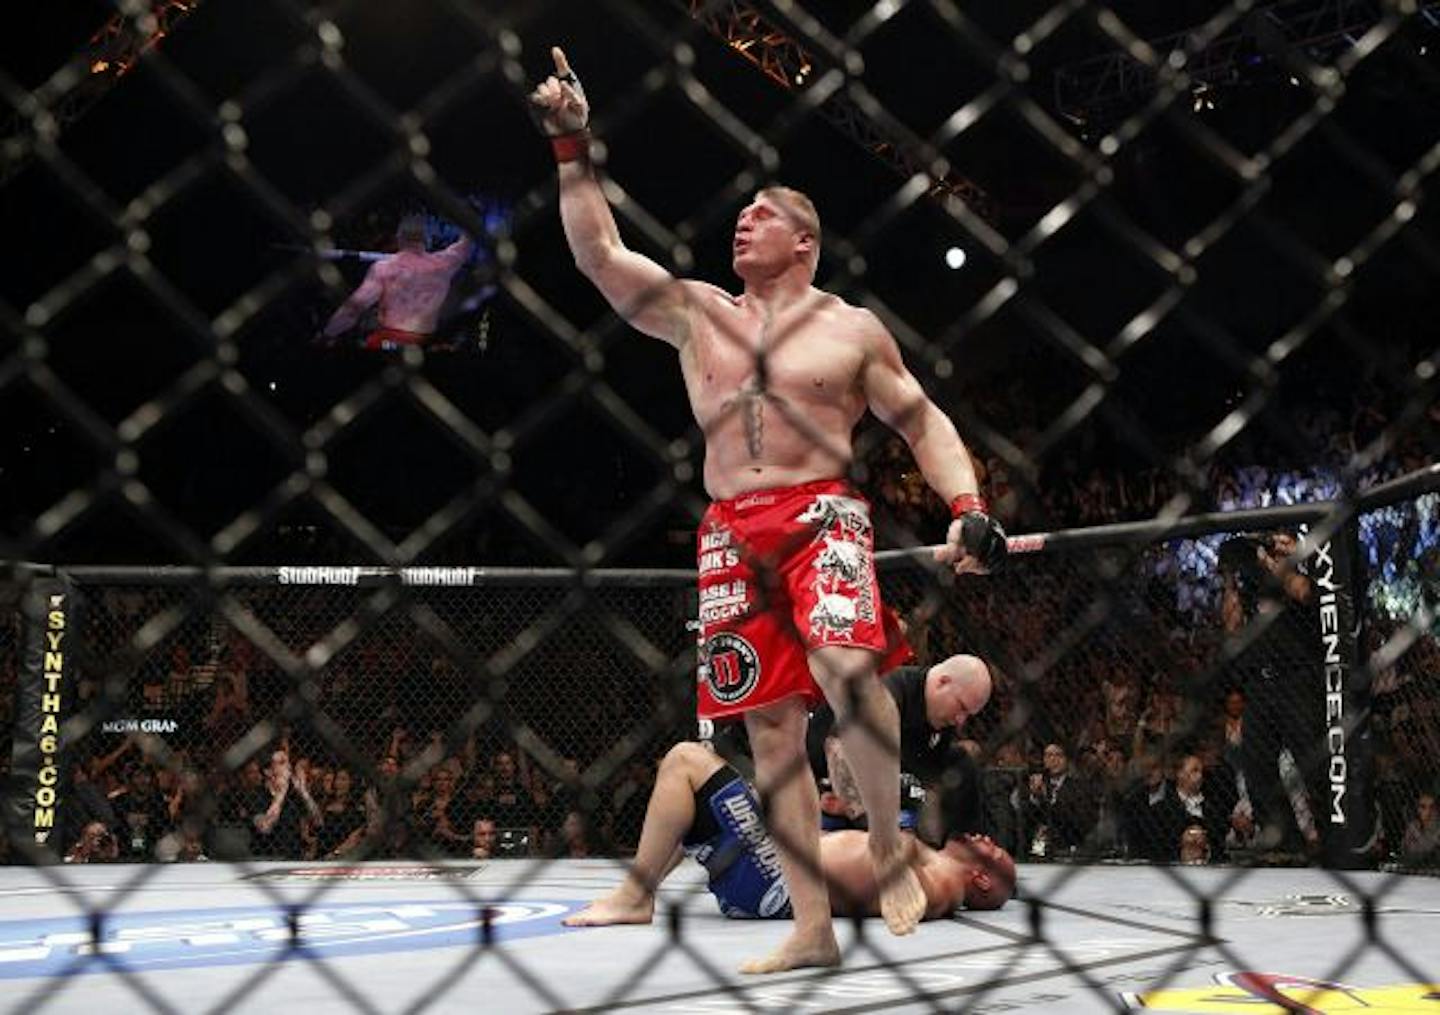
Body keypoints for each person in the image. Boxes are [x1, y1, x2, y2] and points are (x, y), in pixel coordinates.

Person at [531, 47, 1006, 974]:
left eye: (765, 214)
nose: (743, 221)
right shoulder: (698, 312)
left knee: (844, 671)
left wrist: (967, 502)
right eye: (742, 213)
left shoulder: (850, 329)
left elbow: (921, 418)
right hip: (729, 529)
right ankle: (814, 929)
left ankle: (879, 841)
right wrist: (571, 144)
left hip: (823, 511)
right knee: (769, 727)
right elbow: (598, 254)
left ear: (806, 242)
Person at [562, 742, 1015, 929]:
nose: (986, 838)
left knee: (685, 760)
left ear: (981, 879)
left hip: (776, 881)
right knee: (701, 785)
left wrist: (866, 809)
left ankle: (636, 896)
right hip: (774, 869)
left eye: (994, 851)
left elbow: (890, 873)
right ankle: (640, 891)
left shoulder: (942, 887)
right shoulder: (933, 862)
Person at [806, 654, 993, 839]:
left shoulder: (940, 721)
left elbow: (926, 783)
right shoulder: (887, 692)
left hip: (892, 791)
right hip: (822, 785)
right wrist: (870, 822)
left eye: (968, 713)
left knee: (962, 762)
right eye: (961, 706)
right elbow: (839, 746)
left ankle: (965, 844)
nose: (961, 720)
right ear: (942, 682)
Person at [1220, 530, 1325, 852]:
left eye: (1279, 541)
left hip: (1298, 680)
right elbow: (1232, 627)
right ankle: (1284, 843)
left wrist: (1270, 562)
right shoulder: (1251, 580)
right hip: (1260, 684)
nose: (1273, 546)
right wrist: (1229, 580)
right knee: (1255, 764)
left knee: (1312, 764)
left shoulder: (1308, 567)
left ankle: (1332, 836)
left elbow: (1303, 593)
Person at [321, 213, 473, 349]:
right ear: (427, 239)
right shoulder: (445, 263)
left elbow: (353, 308)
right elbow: (466, 243)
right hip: (426, 341)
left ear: (398, 237)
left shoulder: (386, 268)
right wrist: (468, 217)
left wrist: (327, 334)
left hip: (390, 341)